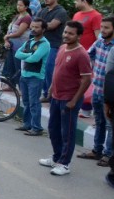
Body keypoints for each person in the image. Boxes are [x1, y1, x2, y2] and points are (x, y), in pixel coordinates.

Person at [38, 22, 93, 176]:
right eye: (65, 32)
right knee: (53, 128)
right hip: (56, 96)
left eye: (70, 33)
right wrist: (50, 89)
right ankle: (56, 158)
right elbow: (57, 69)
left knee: (67, 132)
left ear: (79, 36)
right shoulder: (62, 48)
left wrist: (75, 100)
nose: (66, 35)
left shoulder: (81, 54)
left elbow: (87, 79)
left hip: (69, 99)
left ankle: (64, 163)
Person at [79, 17, 114, 165]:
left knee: (110, 124)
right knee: (99, 121)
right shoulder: (99, 42)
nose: (103, 30)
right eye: (102, 27)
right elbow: (87, 55)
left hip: (110, 94)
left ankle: (108, 154)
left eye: (106, 28)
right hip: (97, 90)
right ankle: (96, 150)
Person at [16, 19, 50, 136]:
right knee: (26, 101)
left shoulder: (45, 44)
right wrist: (30, 54)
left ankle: (36, 127)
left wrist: (27, 55)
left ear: (43, 29)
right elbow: (17, 54)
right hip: (24, 75)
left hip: (36, 77)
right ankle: (27, 124)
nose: (33, 29)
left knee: (34, 103)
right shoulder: (29, 41)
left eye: (37, 27)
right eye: (32, 27)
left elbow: (34, 59)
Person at [37, 0, 68, 101]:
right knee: (42, 70)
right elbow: (35, 23)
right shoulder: (43, 10)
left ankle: (52, 95)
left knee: (50, 70)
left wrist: (39, 26)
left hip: (53, 45)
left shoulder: (61, 11)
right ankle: (46, 94)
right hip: (41, 44)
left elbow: (52, 25)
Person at [1, 0, 32, 84]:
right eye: (18, 5)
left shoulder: (27, 18)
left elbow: (19, 33)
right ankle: (11, 84)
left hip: (20, 46)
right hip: (12, 44)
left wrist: (7, 36)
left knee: (18, 66)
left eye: (21, 5)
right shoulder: (17, 16)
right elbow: (10, 29)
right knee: (10, 65)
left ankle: (20, 86)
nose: (18, 7)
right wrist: (6, 40)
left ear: (26, 7)